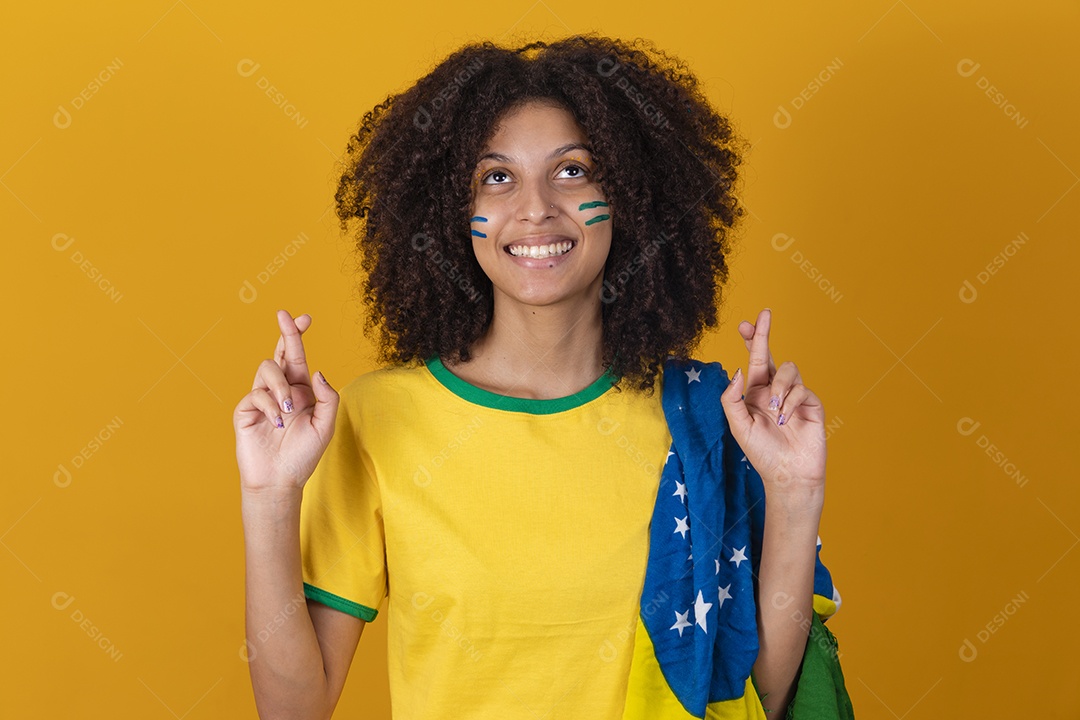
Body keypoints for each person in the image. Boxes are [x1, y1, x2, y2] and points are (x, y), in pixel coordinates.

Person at [233, 34, 849, 720]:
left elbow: (757, 695)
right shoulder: (375, 417)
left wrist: (795, 493)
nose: (535, 208)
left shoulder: (706, 418)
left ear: (631, 195)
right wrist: (269, 497)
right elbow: (294, 711)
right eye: (496, 178)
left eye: (572, 171)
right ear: (449, 210)